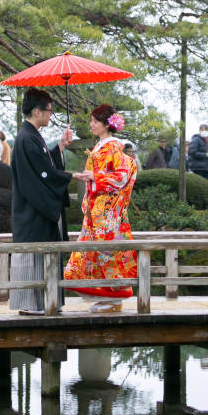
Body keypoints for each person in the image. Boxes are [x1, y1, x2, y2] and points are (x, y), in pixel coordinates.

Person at [9, 88, 92, 315]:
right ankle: (34, 304)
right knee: (37, 256)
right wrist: (71, 176)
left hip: (36, 210)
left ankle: (46, 303)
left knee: (43, 255)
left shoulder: (31, 136)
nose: (50, 115)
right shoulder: (27, 138)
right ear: (37, 112)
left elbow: (45, 166)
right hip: (32, 213)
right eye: (48, 111)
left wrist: (61, 147)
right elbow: (43, 173)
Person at [64, 104, 137, 312]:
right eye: (92, 120)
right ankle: (108, 297)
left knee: (107, 254)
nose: (91, 124)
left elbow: (121, 176)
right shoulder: (101, 146)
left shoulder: (113, 147)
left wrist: (96, 177)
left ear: (107, 124)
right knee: (98, 253)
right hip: (98, 212)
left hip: (107, 215)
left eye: (96, 121)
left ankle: (113, 297)